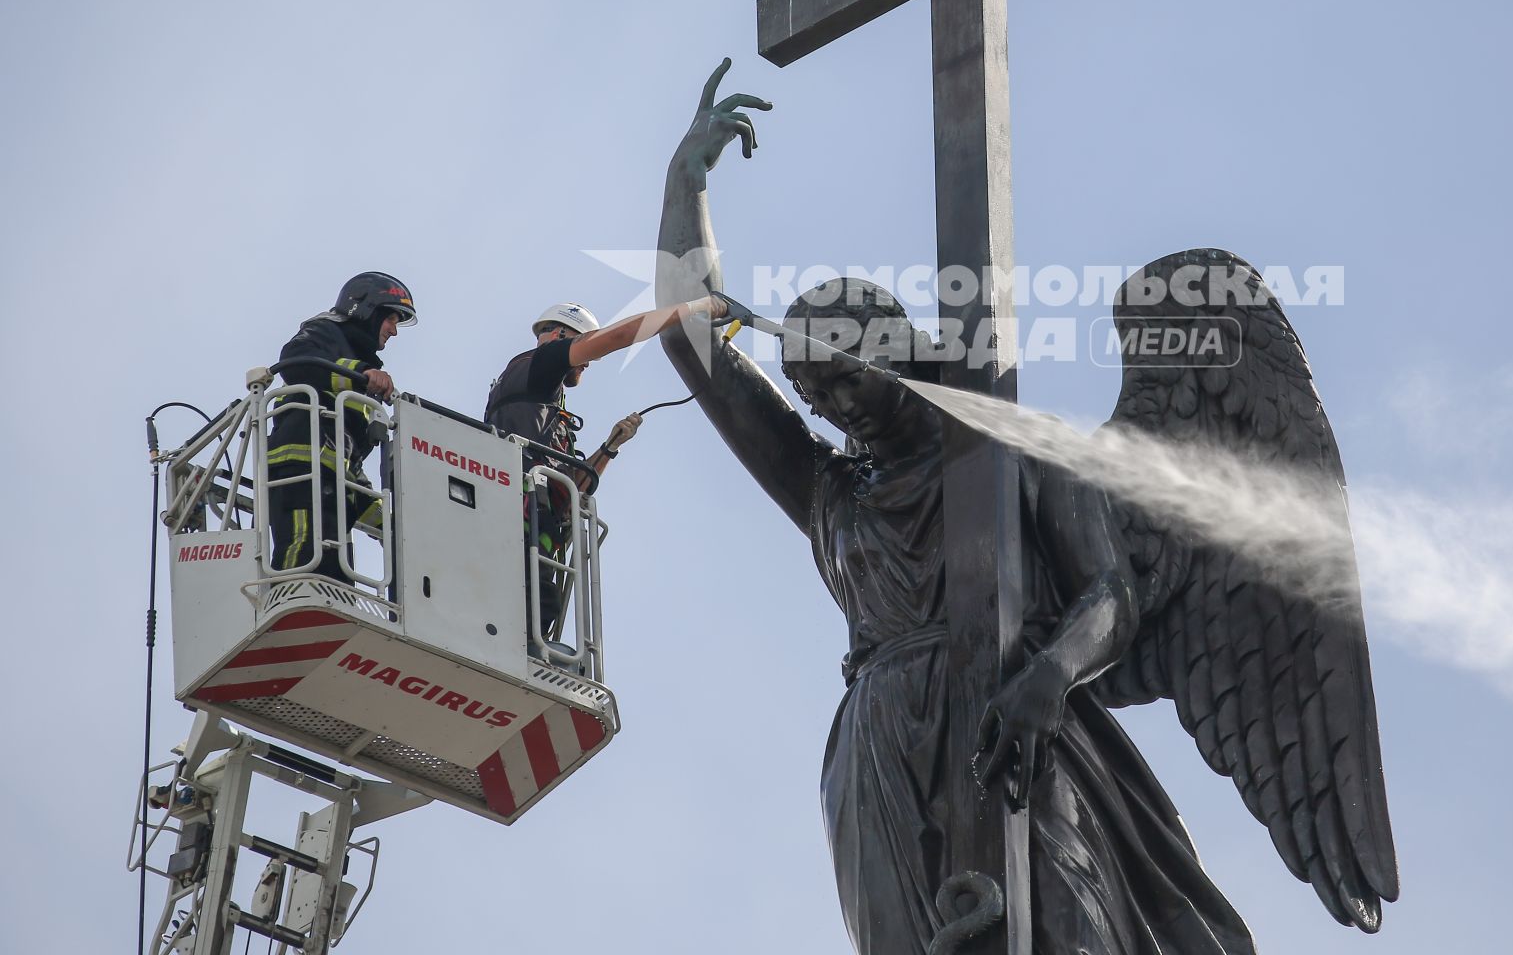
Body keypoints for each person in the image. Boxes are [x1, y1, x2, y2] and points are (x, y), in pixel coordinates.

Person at [653, 62, 1254, 954]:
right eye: (814, 396)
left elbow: (1111, 593)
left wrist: (1050, 677)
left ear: (893, 352)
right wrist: (684, 184)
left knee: (1068, 929)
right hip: (880, 744)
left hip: (1014, 709)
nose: (835, 407)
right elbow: (690, 336)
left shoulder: (1010, 448)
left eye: (846, 377)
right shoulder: (830, 491)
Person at [484, 295, 724, 644]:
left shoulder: (542, 407)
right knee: (531, 607)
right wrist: (698, 307)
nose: (590, 362)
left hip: (538, 531)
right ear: (560, 336)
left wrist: (610, 446)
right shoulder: (541, 363)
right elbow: (618, 337)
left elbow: (573, 488)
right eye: (587, 350)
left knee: (537, 607)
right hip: (517, 524)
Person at [265, 271, 415, 585]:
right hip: (300, 472)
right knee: (303, 564)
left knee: (337, 577)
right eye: (390, 319)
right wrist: (361, 373)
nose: (394, 331)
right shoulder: (326, 331)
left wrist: (392, 524)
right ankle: (292, 607)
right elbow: (295, 361)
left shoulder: (356, 371)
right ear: (365, 309)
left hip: (330, 484)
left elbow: (346, 463)